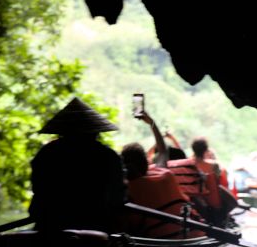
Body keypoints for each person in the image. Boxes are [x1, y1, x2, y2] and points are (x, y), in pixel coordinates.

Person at [29, 97, 125, 232]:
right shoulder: (109, 156)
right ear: (96, 132)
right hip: (98, 229)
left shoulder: (46, 153)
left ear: (62, 131)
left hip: (50, 227)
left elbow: (38, 191)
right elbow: (117, 200)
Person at [119, 143, 204, 238]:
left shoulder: (128, 189)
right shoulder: (167, 175)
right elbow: (163, 152)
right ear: (146, 164)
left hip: (167, 243)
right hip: (198, 233)